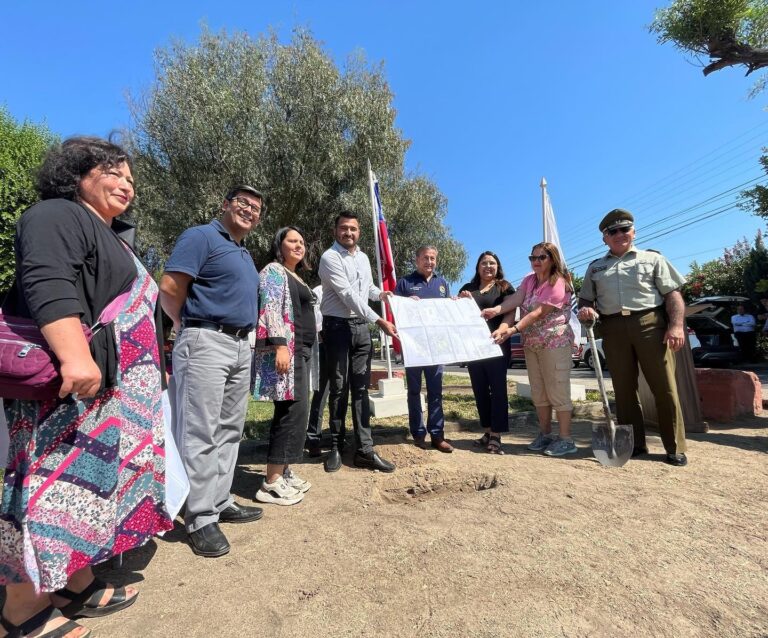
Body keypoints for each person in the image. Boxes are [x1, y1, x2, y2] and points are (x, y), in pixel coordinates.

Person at [0, 137, 173, 638]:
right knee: (45, 488)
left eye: (131, 180)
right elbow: (47, 278)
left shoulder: (110, 236)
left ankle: (76, 581)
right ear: (76, 174)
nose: (126, 185)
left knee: (89, 490)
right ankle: (21, 609)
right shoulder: (56, 213)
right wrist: (74, 354)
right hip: (69, 388)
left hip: (108, 398)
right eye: (113, 173)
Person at [160, 185, 264, 557]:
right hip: (205, 340)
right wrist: (183, 323)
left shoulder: (243, 253)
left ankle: (220, 502)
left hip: (239, 345)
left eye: (256, 208)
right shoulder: (201, 236)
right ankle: (200, 516)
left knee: (231, 429)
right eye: (242, 203)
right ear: (225, 205)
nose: (249, 211)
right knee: (200, 430)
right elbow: (171, 287)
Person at [577, 208, 688, 466]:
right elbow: (585, 299)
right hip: (613, 329)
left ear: (633, 232)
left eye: (624, 229)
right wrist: (587, 309)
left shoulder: (653, 259)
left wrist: (676, 326)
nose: (619, 234)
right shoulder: (595, 267)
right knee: (624, 391)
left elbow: (672, 295)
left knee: (665, 387)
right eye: (612, 231)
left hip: (650, 324)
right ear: (604, 238)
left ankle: (675, 447)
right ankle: (635, 444)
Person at [318, 211, 398, 473]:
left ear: (359, 232)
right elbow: (347, 294)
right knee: (339, 388)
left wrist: (382, 294)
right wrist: (379, 320)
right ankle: (336, 447)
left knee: (362, 390)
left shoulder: (362, 258)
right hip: (337, 328)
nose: (348, 233)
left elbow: (367, 288)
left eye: (353, 229)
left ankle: (364, 449)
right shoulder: (329, 258)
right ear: (335, 231)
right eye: (343, 228)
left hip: (361, 330)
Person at [484, 242, 577, 457]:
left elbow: (538, 313)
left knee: (558, 390)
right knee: (539, 392)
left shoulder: (559, 282)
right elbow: (516, 299)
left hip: (555, 343)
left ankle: (566, 439)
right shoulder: (529, 280)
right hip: (532, 343)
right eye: (532, 258)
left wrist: (513, 329)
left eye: (541, 257)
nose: (536, 261)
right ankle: (545, 434)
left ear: (552, 259)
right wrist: (495, 310)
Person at [252, 227, 316, 505]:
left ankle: (284, 468)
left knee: (298, 410)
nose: (299, 245)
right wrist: (279, 345)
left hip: (302, 351)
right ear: (280, 245)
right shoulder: (273, 271)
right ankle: (271, 481)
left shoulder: (294, 275)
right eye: (292, 241)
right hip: (287, 350)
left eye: (302, 242)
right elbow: (270, 308)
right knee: (289, 411)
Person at [394, 246, 454, 452]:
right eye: (425, 258)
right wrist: (405, 303)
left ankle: (437, 436)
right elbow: (395, 309)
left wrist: (454, 304)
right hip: (414, 346)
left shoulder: (442, 284)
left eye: (433, 258)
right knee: (414, 391)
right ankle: (418, 434)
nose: (429, 262)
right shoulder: (404, 283)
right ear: (417, 259)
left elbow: (448, 312)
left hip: (436, 346)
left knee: (436, 392)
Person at [458, 251, 514, 454]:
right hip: (474, 347)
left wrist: (503, 330)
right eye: (484, 263)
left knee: (498, 390)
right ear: (477, 267)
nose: (488, 266)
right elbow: (459, 315)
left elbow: (510, 312)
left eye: (492, 263)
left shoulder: (505, 287)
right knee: (479, 389)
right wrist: (461, 301)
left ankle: (497, 434)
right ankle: (488, 430)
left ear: (497, 266)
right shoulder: (468, 289)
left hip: (497, 345)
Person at [305, 284, 330, 457]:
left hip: (345, 344)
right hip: (325, 345)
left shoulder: (347, 289)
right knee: (321, 392)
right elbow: (315, 320)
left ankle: (338, 436)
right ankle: (313, 438)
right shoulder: (319, 291)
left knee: (342, 392)